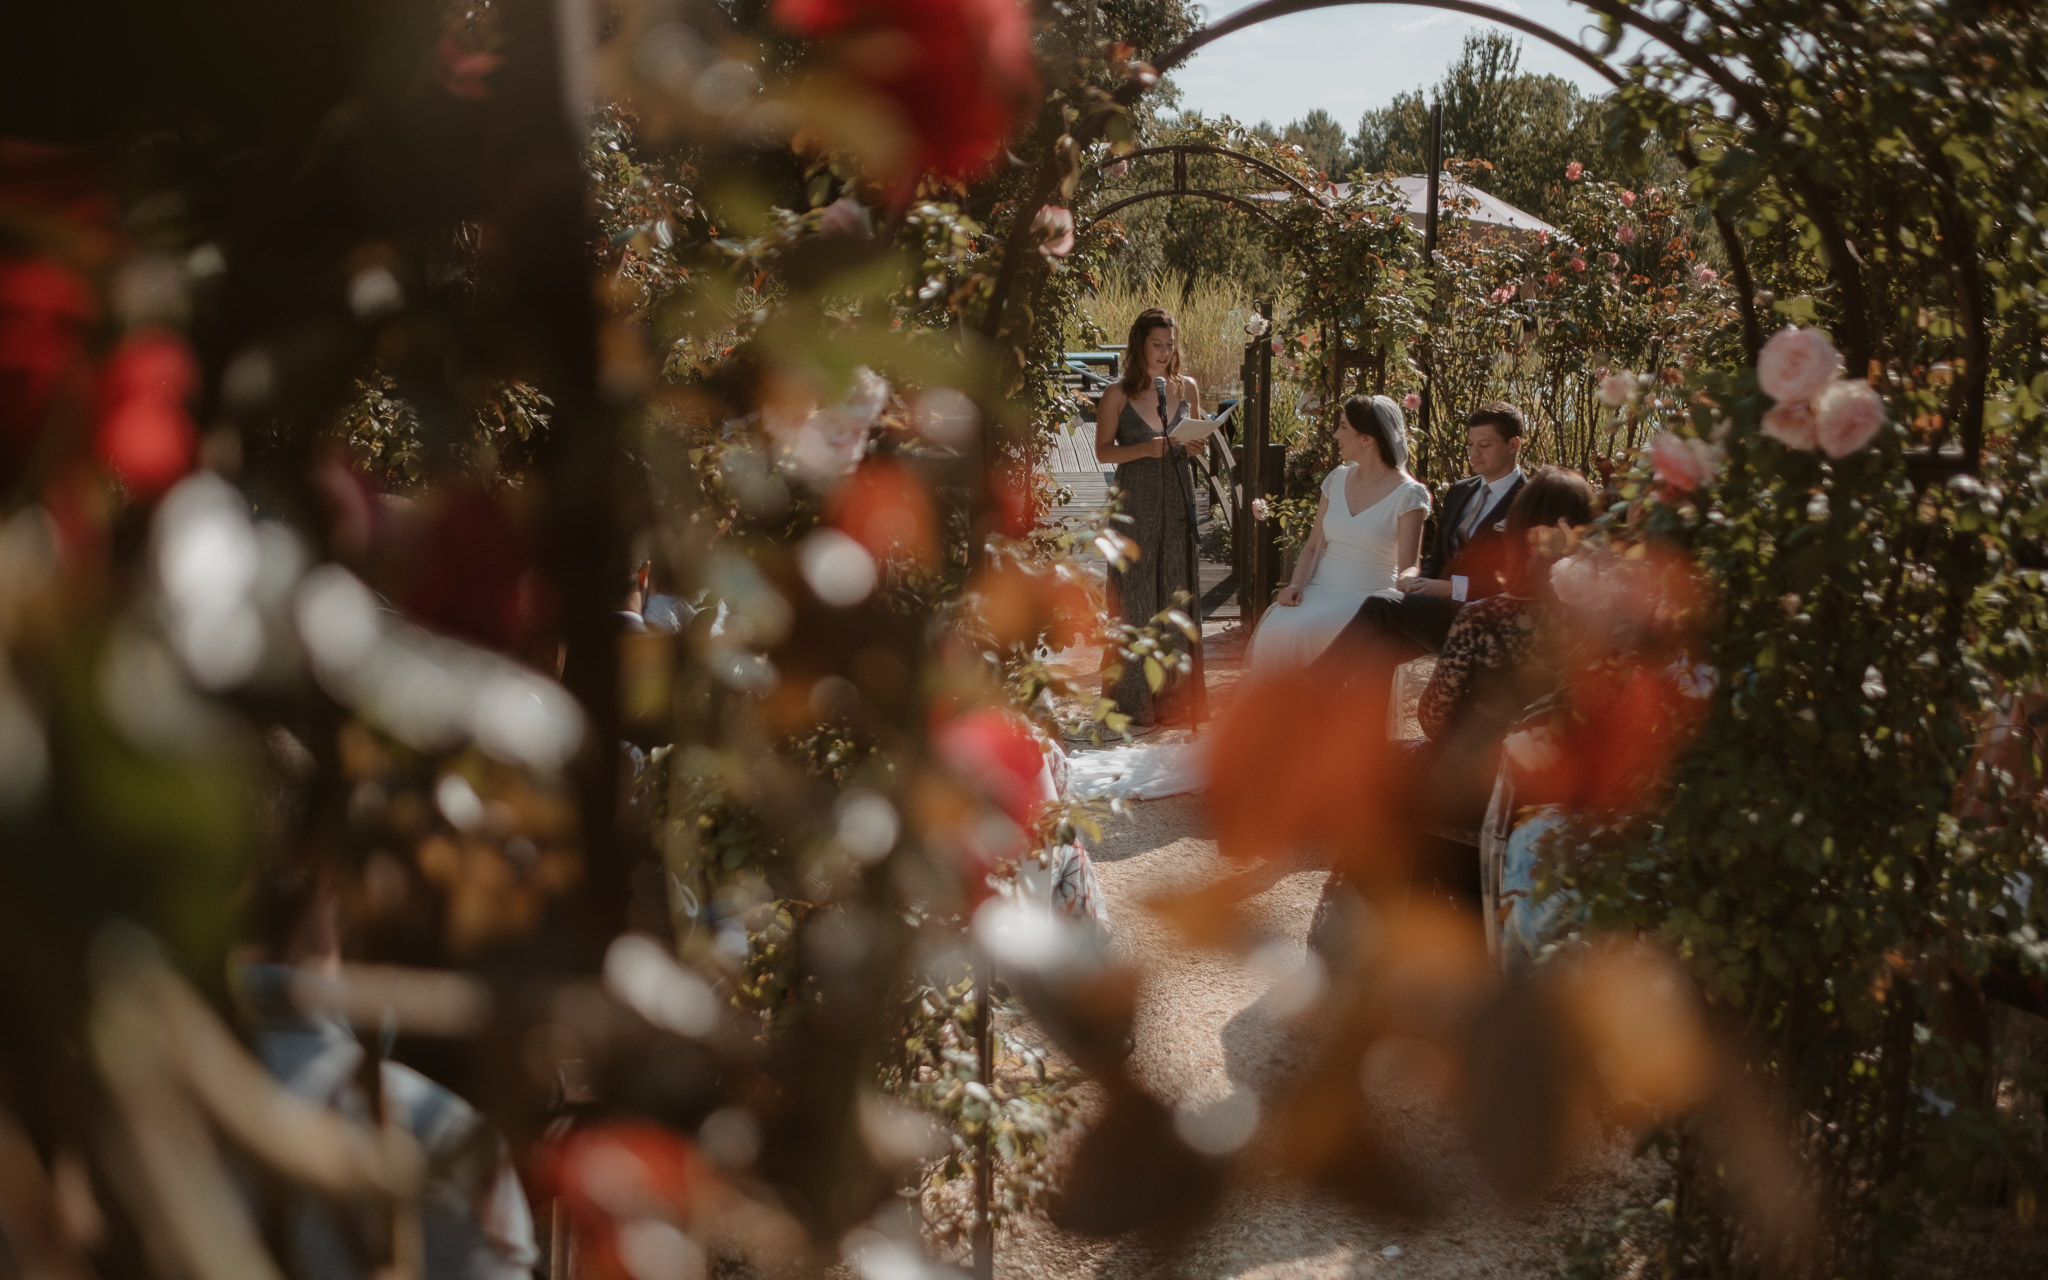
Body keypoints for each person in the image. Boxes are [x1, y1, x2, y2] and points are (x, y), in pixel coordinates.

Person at [1322, 401, 1529, 663]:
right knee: (1384, 647)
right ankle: (1339, 702)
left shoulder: (1530, 502)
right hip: (1439, 612)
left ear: (1513, 445)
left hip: (1487, 617)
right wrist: (1417, 586)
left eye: (1485, 445)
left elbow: (1520, 580)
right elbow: (1437, 556)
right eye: (1470, 445)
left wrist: (1451, 588)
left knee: (1381, 603)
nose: (1474, 453)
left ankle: (1306, 685)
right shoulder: (1460, 491)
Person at [1246, 394, 1430, 675]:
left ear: (1367, 439)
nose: (1335, 434)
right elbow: (1312, 545)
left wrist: (1409, 581)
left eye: (1343, 427)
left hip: (1368, 595)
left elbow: (1409, 563)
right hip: (1320, 588)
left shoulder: (1409, 494)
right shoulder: (1337, 478)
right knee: (1277, 627)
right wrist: (1296, 585)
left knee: (1308, 631)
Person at [1094, 308, 1208, 730]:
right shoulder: (1117, 394)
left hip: (1178, 506)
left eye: (1169, 344)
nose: (1164, 352)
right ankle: (1132, 705)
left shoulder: (1187, 387)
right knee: (1136, 603)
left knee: (1177, 599)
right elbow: (1103, 451)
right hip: (1134, 508)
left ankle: (1177, 705)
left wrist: (1195, 447)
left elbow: (1197, 437)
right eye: (1156, 344)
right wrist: (1144, 448)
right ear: (1139, 345)